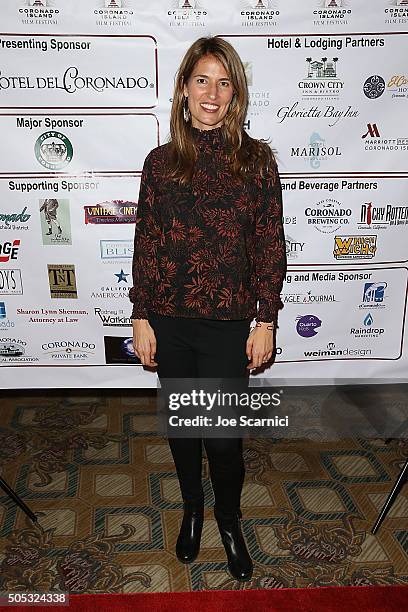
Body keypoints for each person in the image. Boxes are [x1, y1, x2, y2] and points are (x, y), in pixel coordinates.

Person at [129, 36, 287, 582]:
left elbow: (269, 243)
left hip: (228, 324)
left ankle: (229, 520)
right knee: (183, 431)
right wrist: (141, 314)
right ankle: (192, 511)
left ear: (236, 93)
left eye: (224, 82)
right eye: (202, 80)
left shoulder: (257, 161)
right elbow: (147, 240)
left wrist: (266, 319)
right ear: (184, 89)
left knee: (222, 437)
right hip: (169, 321)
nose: (212, 93)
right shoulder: (160, 163)